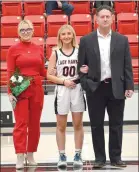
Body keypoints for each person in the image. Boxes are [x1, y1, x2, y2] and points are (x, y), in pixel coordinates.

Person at [78, 5, 134, 168]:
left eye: (107, 16)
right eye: (101, 16)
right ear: (96, 19)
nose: (104, 19)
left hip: (116, 87)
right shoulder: (86, 40)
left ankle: (116, 157)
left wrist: (129, 85)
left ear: (112, 18)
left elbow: (127, 65)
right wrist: (86, 83)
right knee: (96, 124)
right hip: (95, 87)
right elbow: (81, 67)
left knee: (116, 124)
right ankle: (100, 159)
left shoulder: (121, 40)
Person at [6, 20, 49, 169]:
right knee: (21, 123)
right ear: (18, 32)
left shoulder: (38, 48)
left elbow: (42, 71)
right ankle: (19, 154)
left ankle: (30, 154)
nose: (26, 32)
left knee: (35, 124)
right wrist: (10, 92)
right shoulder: (13, 49)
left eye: (28, 29)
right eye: (22, 30)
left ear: (33, 30)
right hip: (20, 89)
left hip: (37, 90)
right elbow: (10, 72)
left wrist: (54, 74)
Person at [47, 24, 86, 169]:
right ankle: (62, 155)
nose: (67, 36)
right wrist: (63, 81)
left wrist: (85, 70)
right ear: (59, 37)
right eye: (63, 34)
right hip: (62, 90)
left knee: (78, 124)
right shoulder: (55, 53)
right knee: (61, 125)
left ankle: (78, 154)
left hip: (77, 89)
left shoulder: (79, 51)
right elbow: (49, 75)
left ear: (73, 35)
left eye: (69, 33)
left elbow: (85, 69)